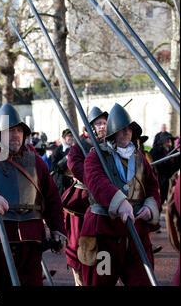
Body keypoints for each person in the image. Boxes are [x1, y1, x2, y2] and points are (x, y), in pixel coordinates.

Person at [0, 103, 66, 286]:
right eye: (10, 130)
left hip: (29, 237)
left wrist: (57, 229)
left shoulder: (37, 163)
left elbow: (52, 198)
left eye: (19, 130)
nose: (15, 134)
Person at [80, 103, 160, 286]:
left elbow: (152, 186)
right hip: (104, 236)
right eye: (121, 129)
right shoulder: (96, 156)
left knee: (142, 281)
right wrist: (119, 202)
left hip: (136, 236)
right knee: (100, 282)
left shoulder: (139, 158)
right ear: (113, 132)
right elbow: (96, 183)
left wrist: (149, 206)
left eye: (129, 129)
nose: (126, 132)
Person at [61, 107, 108, 286]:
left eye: (104, 123)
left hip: (106, 202)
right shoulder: (78, 149)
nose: (102, 127)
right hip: (80, 204)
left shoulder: (112, 145)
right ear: (87, 128)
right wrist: (100, 183)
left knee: (105, 249)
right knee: (78, 250)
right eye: (98, 123)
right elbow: (76, 167)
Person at [150, 131, 178, 207]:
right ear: (162, 141)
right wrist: (164, 161)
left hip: (171, 180)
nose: (169, 141)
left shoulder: (174, 151)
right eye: (167, 139)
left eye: (170, 139)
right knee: (159, 201)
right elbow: (153, 164)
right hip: (160, 180)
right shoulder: (155, 151)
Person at [51, 128, 76, 196]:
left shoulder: (75, 149)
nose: (71, 138)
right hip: (61, 182)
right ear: (64, 138)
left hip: (73, 181)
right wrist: (66, 159)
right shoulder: (57, 150)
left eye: (72, 136)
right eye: (69, 136)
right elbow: (54, 168)